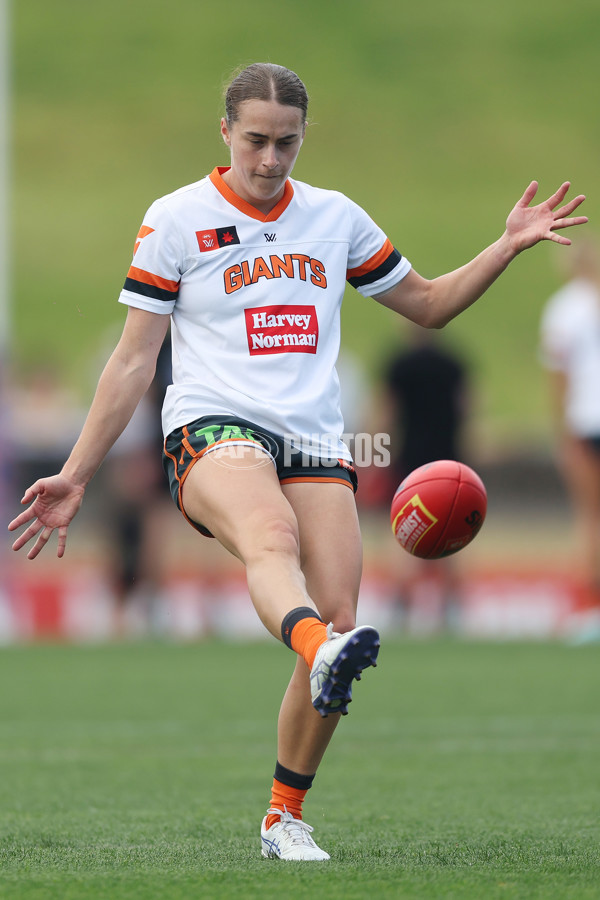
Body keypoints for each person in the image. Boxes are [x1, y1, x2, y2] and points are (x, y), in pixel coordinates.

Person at [8, 63, 587, 860]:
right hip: (213, 430)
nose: (270, 159)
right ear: (224, 131)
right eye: (255, 140)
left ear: (304, 136)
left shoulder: (335, 217)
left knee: (340, 617)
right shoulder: (176, 219)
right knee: (272, 539)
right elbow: (133, 361)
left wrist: (506, 246)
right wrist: (76, 473)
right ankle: (317, 649)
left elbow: (428, 304)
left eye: (286, 142)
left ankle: (284, 816)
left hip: (314, 441)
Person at [382, 324, 471, 631]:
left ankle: (401, 603)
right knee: (451, 528)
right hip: (449, 462)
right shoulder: (453, 363)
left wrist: (378, 455)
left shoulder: (399, 364)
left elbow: (386, 412)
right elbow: (466, 407)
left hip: (411, 463)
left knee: (405, 530)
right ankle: (450, 606)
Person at [539, 237, 600, 642]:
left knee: (589, 517)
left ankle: (591, 608)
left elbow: (559, 376)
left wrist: (560, 429)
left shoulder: (564, 307)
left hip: (585, 421)